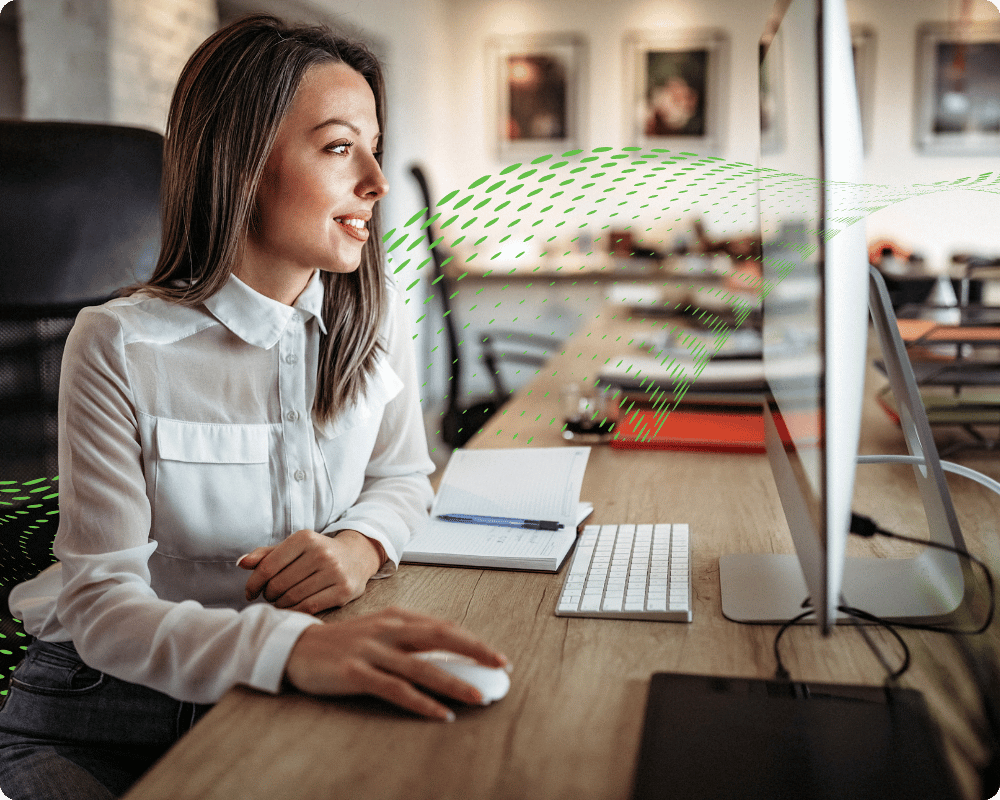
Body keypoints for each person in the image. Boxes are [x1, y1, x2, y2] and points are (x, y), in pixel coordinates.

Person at [0, 14, 506, 800]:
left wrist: (361, 548)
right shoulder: (117, 346)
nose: (375, 180)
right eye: (341, 147)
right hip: (99, 711)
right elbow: (100, 608)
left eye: (373, 144)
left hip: (280, 691)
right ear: (242, 163)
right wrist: (289, 650)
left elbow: (407, 476)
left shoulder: (373, 323)